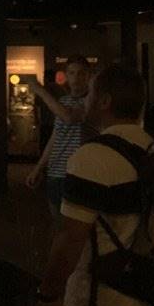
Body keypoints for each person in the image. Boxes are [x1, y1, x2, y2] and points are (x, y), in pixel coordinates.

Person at [34, 65, 154, 306]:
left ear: (104, 101)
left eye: (90, 93)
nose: (85, 99)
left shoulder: (92, 157)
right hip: (144, 298)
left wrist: (48, 295)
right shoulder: (151, 149)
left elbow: (71, 238)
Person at [26, 56, 96, 222]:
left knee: (75, 225)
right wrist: (39, 168)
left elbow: (68, 117)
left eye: (81, 73)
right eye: (72, 73)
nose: (76, 78)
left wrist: (39, 90)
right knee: (58, 223)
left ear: (88, 76)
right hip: (56, 172)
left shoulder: (92, 102)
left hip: (78, 172)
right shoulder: (64, 100)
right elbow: (56, 137)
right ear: (66, 76)